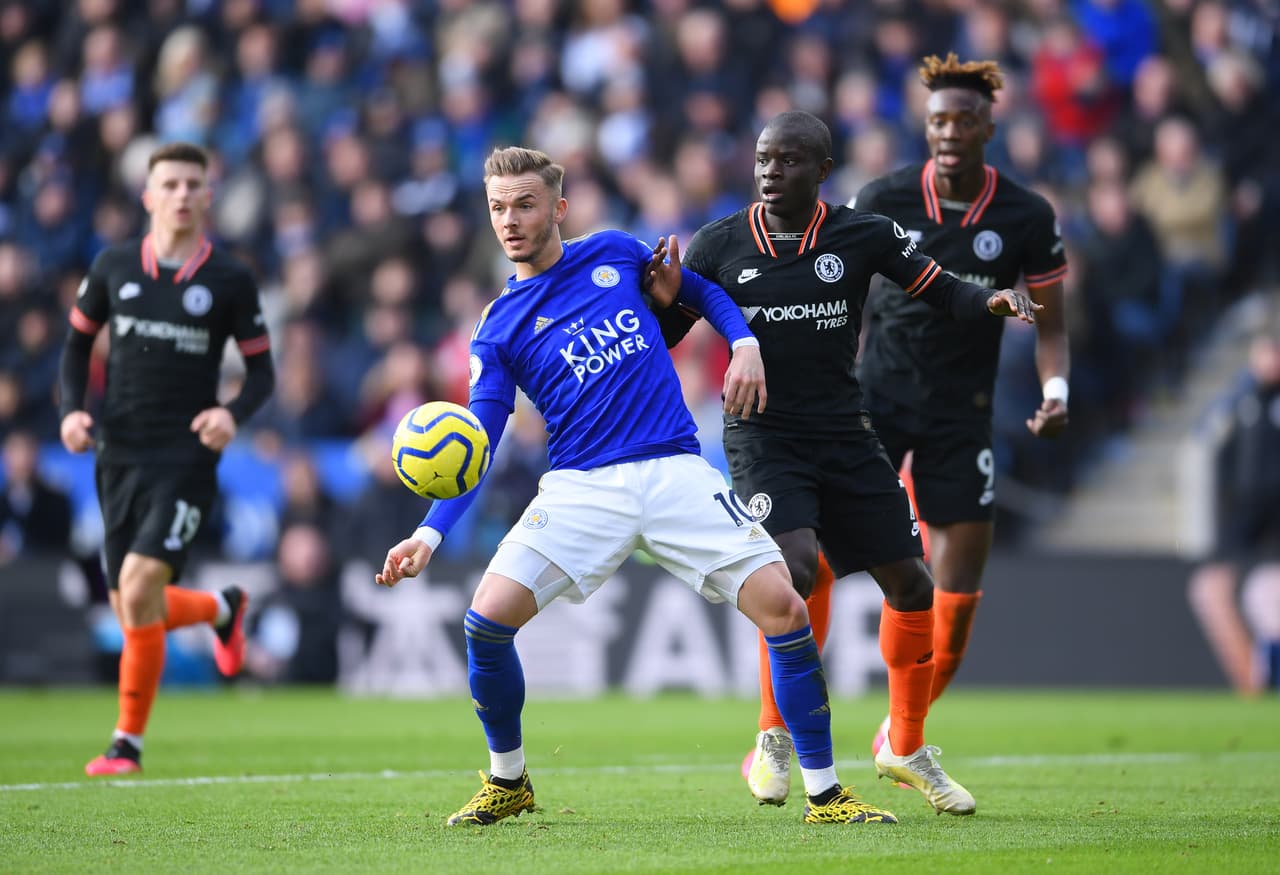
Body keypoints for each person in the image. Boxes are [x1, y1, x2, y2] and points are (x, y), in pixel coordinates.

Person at [376, 146, 897, 828]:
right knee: (485, 621)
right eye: (499, 207)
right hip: (580, 488)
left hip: (674, 470)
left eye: (525, 204)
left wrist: (742, 342)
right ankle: (509, 778)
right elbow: (478, 438)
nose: (510, 219)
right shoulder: (497, 327)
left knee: (786, 608)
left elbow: (700, 292)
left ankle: (827, 794)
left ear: (558, 208)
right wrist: (427, 531)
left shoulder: (616, 253)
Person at [658, 109, 1042, 815]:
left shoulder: (861, 233)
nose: (772, 173)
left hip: (846, 432)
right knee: (797, 569)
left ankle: (904, 742)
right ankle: (775, 735)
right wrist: (659, 299)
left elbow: (938, 286)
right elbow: (667, 334)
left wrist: (988, 298)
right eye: (764, 159)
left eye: (789, 161)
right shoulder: (718, 244)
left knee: (912, 584)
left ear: (822, 170)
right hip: (764, 437)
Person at [850, 55, 1069, 752]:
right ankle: (778, 728)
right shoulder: (882, 197)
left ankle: (899, 734)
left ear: (988, 127)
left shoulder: (1027, 215)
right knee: (817, 555)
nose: (948, 131)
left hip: (961, 410)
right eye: (937, 119)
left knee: (959, 597)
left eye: (963, 120)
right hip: (878, 399)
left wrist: (1055, 391)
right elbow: (841, 302)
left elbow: (1051, 323)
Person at [58, 142, 275, 776]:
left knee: (138, 585)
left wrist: (230, 414)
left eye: (192, 184)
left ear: (208, 196)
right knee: (132, 606)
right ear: (149, 196)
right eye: (170, 184)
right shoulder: (113, 266)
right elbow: (76, 347)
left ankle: (126, 743)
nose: (181, 194)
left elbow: (263, 374)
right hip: (117, 450)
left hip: (185, 453)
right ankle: (220, 609)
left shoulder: (229, 279)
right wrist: (74, 409)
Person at [1187, 331, 1280, 695]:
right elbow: (1221, 453)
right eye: (1261, 354)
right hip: (1244, 515)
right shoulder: (1243, 401)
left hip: (1273, 518)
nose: (1265, 362)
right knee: (1209, 590)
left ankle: (1266, 673)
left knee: (1264, 592)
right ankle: (1251, 683)